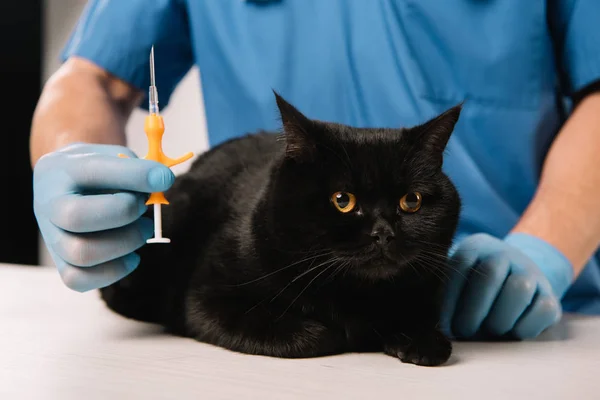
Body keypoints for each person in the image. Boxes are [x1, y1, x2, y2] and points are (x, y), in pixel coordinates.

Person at [31, 0, 600, 340]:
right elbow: (92, 79)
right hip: (278, 312)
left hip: (519, 321)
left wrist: (543, 253)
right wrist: (75, 168)